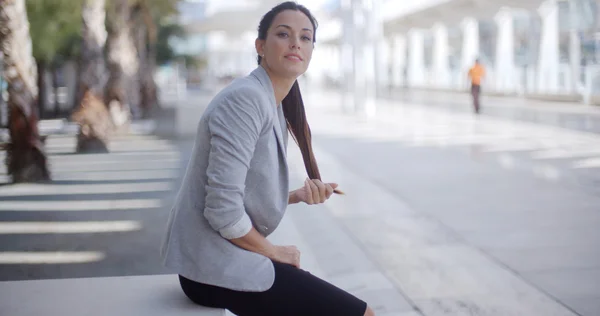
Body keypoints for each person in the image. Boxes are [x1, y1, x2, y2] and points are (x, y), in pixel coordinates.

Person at [160, 2, 375, 316]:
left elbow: (234, 191)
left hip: (221, 259)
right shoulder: (246, 99)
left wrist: (295, 196)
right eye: (284, 34)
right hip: (211, 268)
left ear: (312, 50)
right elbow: (222, 208)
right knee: (362, 314)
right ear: (260, 46)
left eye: (305, 37)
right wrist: (274, 252)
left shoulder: (271, 101)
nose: (295, 43)